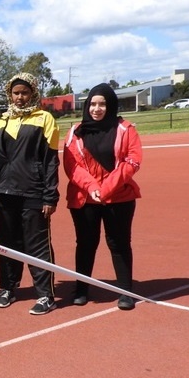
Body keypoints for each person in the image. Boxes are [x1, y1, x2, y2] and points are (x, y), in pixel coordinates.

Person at [0, 72, 60, 315]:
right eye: (16, 93)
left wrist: (50, 196)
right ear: (10, 94)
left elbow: (50, 161)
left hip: (33, 193)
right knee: (7, 244)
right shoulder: (2, 121)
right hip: (5, 193)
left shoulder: (44, 119)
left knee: (37, 245)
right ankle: (7, 288)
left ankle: (46, 295)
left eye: (24, 92)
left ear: (33, 93)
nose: (20, 97)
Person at [63, 83, 142, 310]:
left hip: (119, 197)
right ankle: (81, 288)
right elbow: (71, 164)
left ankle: (125, 291)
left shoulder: (126, 129)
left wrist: (106, 188)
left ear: (111, 105)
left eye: (103, 104)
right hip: (84, 198)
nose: (97, 109)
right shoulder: (76, 131)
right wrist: (91, 187)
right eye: (93, 104)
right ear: (87, 105)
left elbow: (132, 161)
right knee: (86, 243)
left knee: (119, 243)